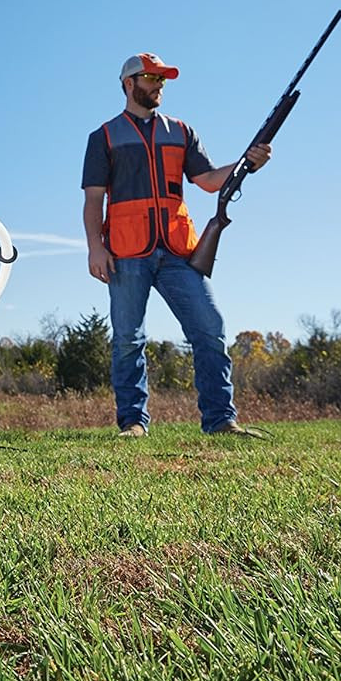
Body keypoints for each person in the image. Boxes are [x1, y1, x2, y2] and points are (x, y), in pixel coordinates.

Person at [81, 51, 269, 438]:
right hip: (126, 252)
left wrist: (246, 163)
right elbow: (93, 199)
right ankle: (133, 423)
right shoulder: (103, 137)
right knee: (128, 340)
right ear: (129, 84)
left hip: (179, 250)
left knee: (210, 329)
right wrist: (95, 247)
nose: (159, 86)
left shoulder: (181, 131)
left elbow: (208, 181)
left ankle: (221, 421)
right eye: (152, 79)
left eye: (162, 80)